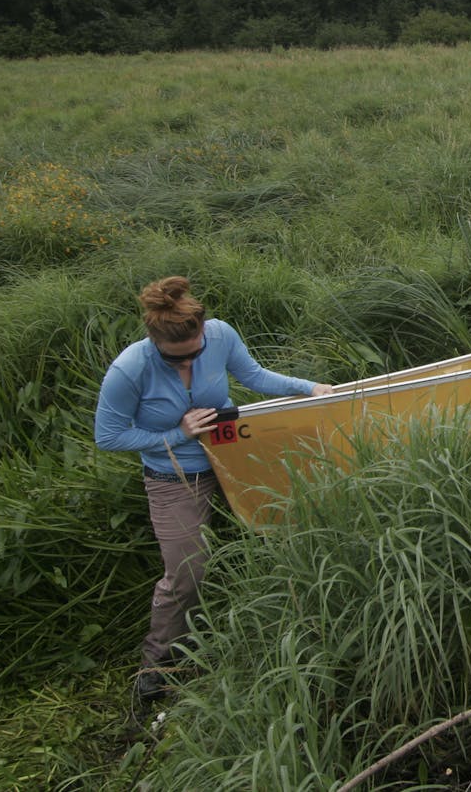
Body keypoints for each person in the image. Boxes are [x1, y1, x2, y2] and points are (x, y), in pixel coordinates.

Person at [94, 276, 331, 704]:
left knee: (293, 525)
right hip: (174, 476)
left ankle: (307, 625)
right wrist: (177, 433)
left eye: (197, 353)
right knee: (187, 573)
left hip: (234, 456)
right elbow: (108, 436)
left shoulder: (219, 335)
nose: (190, 362)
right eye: (176, 360)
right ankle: (157, 664)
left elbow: (254, 375)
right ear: (156, 343)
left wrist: (307, 388)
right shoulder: (129, 369)